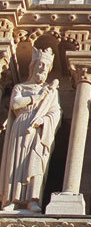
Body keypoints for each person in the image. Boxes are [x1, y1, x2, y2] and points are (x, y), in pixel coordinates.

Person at [0, 47, 61, 213]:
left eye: (46, 66)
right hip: (21, 126)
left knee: (36, 161)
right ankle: (13, 199)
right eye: (40, 64)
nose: (43, 68)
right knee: (16, 162)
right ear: (33, 66)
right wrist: (36, 97)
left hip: (39, 130)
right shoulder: (20, 87)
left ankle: (32, 199)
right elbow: (15, 104)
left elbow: (55, 112)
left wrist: (44, 120)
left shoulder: (51, 92)